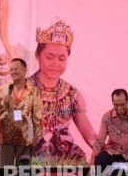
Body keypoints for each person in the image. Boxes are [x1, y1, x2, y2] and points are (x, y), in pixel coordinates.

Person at [28, 20, 96, 160]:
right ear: (37, 55)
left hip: (67, 155)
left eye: (61, 59)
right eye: (50, 57)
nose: (55, 64)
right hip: (31, 153)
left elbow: (90, 136)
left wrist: (107, 150)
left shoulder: (72, 94)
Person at [0, 58, 43, 166]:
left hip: (25, 134)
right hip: (6, 134)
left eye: (16, 69)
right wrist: (3, 103)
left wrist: (37, 133)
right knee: (6, 171)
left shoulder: (33, 91)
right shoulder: (4, 88)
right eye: (11, 70)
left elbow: (37, 113)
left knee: (23, 171)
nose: (13, 72)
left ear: (25, 70)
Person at [92, 89, 128, 174]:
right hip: (113, 151)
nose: (119, 108)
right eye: (116, 105)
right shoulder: (107, 117)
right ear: (112, 103)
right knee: (100, 160)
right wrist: (92, 161)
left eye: (122, 104)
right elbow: (100, 140)